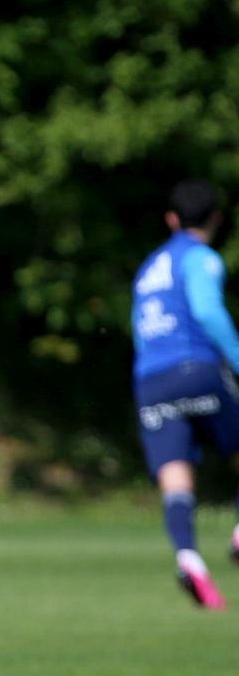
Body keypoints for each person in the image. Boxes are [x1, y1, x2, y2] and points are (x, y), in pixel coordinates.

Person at [130, 179, 239, 609]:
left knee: (176, 478)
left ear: (171, 219)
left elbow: (139, 329)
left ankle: (189, 557)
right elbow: (208, 311)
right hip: (196, 366)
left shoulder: (148, 268)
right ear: (215, 218)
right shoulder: (202, 258)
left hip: (151, 378)